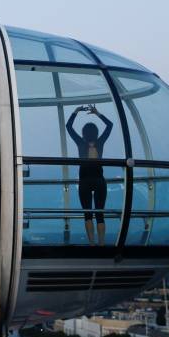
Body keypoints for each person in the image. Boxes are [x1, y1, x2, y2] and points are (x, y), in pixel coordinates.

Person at [66, 104, 114, 246]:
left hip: (85, 181)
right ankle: (102, 243)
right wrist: (97, 113)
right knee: (100, 214)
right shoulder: (100, 143)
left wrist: (75, 111)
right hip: (100, 180)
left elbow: (69, 127)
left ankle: (91, 243)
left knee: (87, 214)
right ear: (96, 133)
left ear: (84, 133)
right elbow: (110, 125)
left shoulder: (81, 143)